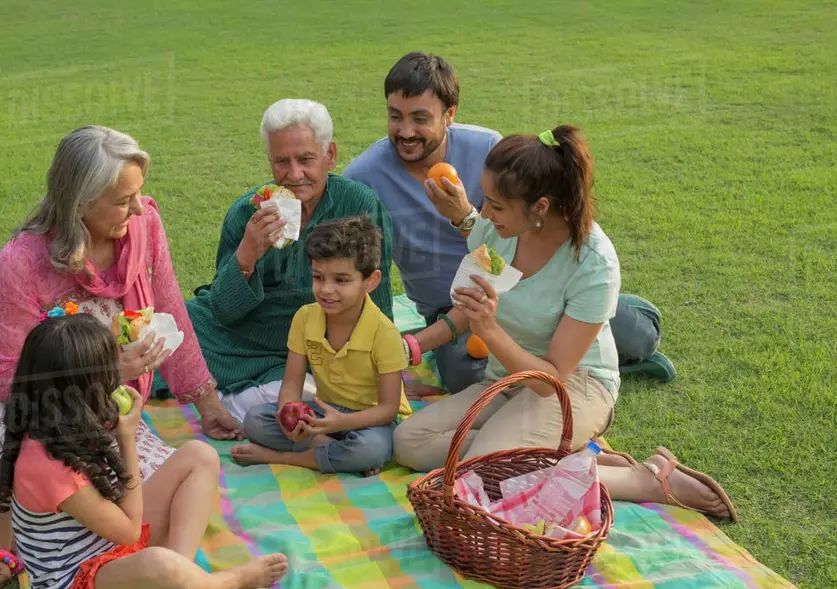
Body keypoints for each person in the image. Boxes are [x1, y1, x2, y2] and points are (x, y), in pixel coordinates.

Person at [0, 126, 242, 579]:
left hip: (108, 419)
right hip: (39, 420)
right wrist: (108, 371)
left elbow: (169, 306)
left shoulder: (143, 223)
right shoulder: (22, 263)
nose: (137, 207)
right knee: (37, 550)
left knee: (148, 517)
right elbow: (3, 378)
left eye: (139, 193)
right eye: (121, 199)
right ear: (79, 201)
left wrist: (206, 401)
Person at [393, 125, 736, 521]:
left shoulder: (593, 264)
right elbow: (473, 257)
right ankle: (545, 457)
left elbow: (549, 379)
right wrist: (413, 345)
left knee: (482, 473)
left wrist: (488, 329)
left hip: (573, 386)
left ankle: (645, 480)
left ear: (539, 207)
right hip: (507, 379)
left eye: (496, 206)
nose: (484, 213)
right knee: (410, 442)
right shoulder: (500, 233)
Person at [343, 52, 674, 395]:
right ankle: (563, 356)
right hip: (453, 305)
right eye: (395, 117)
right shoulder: (364, 176)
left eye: (420, 118)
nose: (406, 131)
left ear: (450, 115)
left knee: (641, 335)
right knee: (466, 377)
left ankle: (597, 339)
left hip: (530, 290)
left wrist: (461, 213)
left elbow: (528, 228)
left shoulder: (487, 147)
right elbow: (344, 255)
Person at [0, 314, 287, 589]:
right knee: (157, 563)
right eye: (108, 372)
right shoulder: (49, 470)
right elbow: (128, 531)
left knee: (200, 456)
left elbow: (3, 489)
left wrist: (1, 554)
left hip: (107, 544)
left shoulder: (47, 421)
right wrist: (126, 440)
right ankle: (223, 582)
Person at [183, 99, 395, 423]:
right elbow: (223, 310)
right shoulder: (247, 212)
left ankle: (232, 397)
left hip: (318, 348)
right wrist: (247, 254)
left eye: (306, 159)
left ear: (330, 155)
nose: (295, 175)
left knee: (311, 397)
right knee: (175, 322)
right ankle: (241, 395)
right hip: (245, 338)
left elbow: (377, 301)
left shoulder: (361, 205)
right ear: (269, 160)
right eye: (282, 161)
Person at [231, 216, 411, 476]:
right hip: (325, 412)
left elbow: (387, 409)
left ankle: (283, 458)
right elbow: (292, 383)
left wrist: (342, 422)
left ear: (370, 281)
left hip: (370, 421)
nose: (326, 289)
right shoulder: (305, 317)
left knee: (371, 448)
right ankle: (332, 451)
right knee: (255, 421)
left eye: (341, 280)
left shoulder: (385, 334)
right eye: (318, 277)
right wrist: (287, 415)